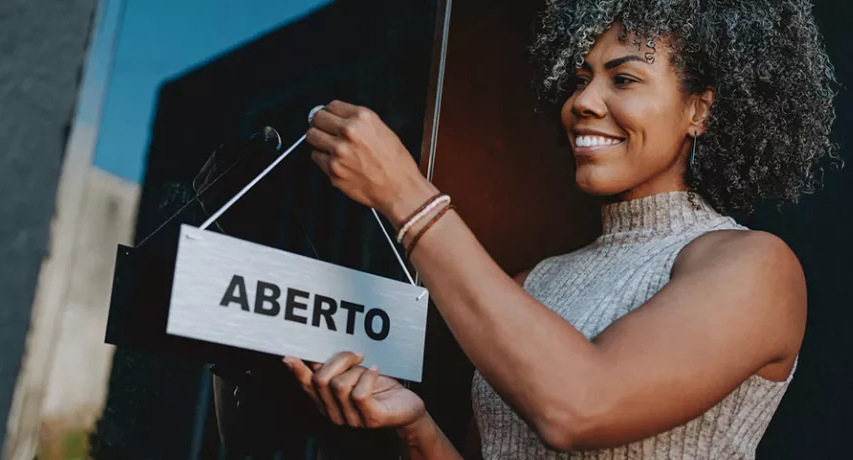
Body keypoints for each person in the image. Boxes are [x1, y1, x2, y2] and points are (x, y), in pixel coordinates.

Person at [285, 0, 840, 458]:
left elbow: (578, 406)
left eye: (623, 78)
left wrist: (407, 195)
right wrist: (418, 431)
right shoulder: (533, 283)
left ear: (700, 110)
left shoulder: (753, 266)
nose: (583, 102)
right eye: (581, 79)